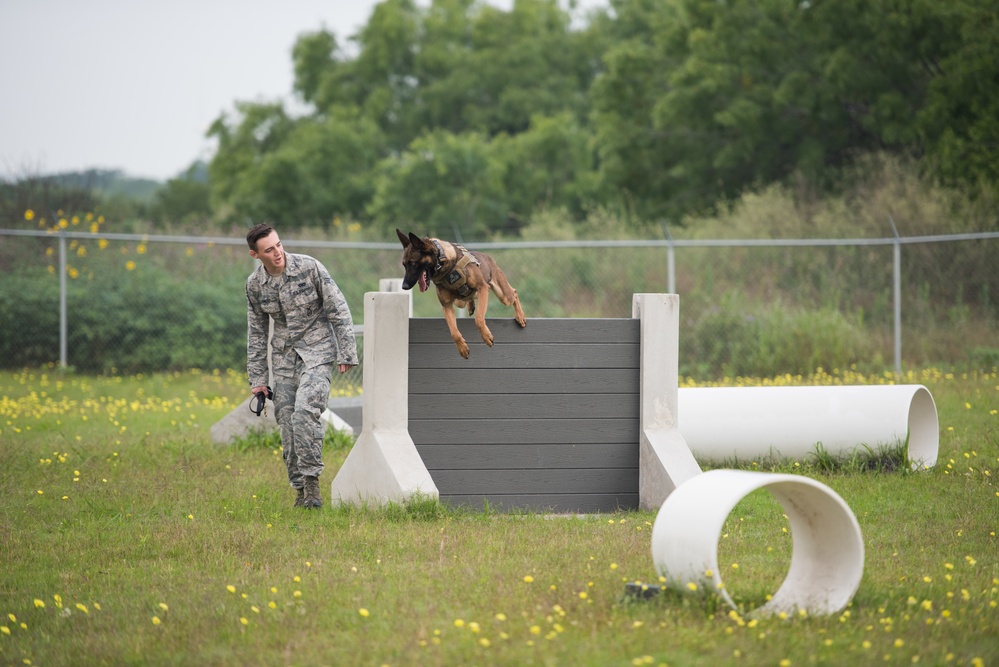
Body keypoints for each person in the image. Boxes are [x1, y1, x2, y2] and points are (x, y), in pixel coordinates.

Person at [245, 223, 358, 509]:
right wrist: (258, 379)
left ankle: (312, 486)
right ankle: (299, 488)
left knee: (305, 411)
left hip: (318, 350)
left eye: (279, 245)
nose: (278, 252)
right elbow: (257, 332)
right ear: (255, 255)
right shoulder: (255, 286)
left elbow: (338, 308)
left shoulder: (309, 267)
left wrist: (347, 352)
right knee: (286, 420)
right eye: (269, 250)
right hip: (283, 357)